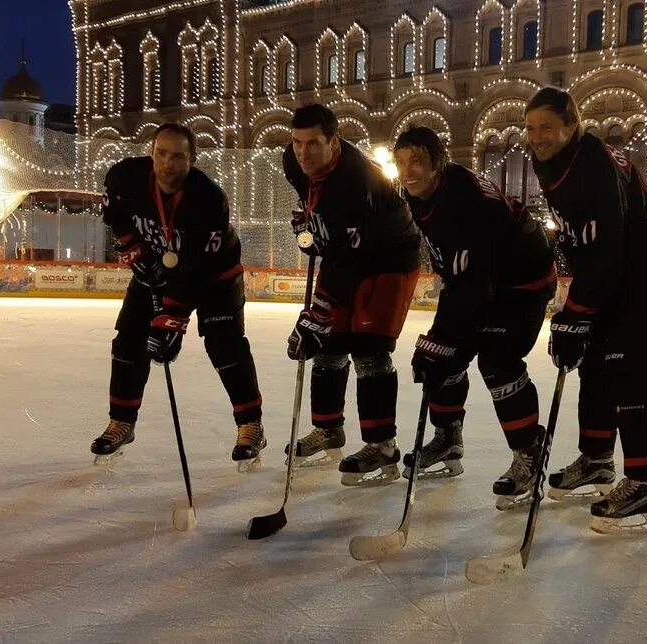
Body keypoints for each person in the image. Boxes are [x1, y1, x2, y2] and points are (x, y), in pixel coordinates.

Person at [524, 87, 647, 533]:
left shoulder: (592, 167)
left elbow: (608, 252)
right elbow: (587, 241)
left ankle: (645, 483)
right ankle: (597, 460)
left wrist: (574, 313)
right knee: (594, 361)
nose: (537, 136)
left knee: (632, 370)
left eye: (547, 128)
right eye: (531, 127)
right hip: (616, 268)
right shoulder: (556, 158)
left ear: (571, 126)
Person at [392, 126, 557, 510]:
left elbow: (475, 285)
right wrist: (442, 341)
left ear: (438, 164)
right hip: (477, 280)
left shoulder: (467, 201)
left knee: (497, 361)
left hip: (522, 284)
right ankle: (448, 438)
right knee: (444, 353)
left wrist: (444, 337)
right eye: (401, 162)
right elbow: (461, 277)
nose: (407, 171)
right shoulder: (418, 195)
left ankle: (529, 454)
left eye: (417, 161)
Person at [91, 123, 266, 471]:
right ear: (151, 152)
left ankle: (251, 425)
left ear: (192, 159)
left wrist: (171, 319)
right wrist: (136, 251)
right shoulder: (124, 178)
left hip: (214, 276)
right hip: (157, 267)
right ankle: (122, 421)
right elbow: (115, 216)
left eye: (178, 157)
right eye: (161, 154)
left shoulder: (208, 199)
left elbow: (196, 270)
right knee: (128, 341)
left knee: (224, 347)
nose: (168, 164)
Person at [282, 104, 421, 486]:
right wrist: (310, 231)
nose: (303, 153)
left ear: (334, 141)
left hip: (389, 257)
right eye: (297, 142)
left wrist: (318, 311)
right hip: (347, 251)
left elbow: (353, 258)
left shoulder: (358, 181)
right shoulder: (292, 162)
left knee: (369, 349)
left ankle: (382, 445)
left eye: (313, 144)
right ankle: (328, 429)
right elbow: (324, 227)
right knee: (329, 344)